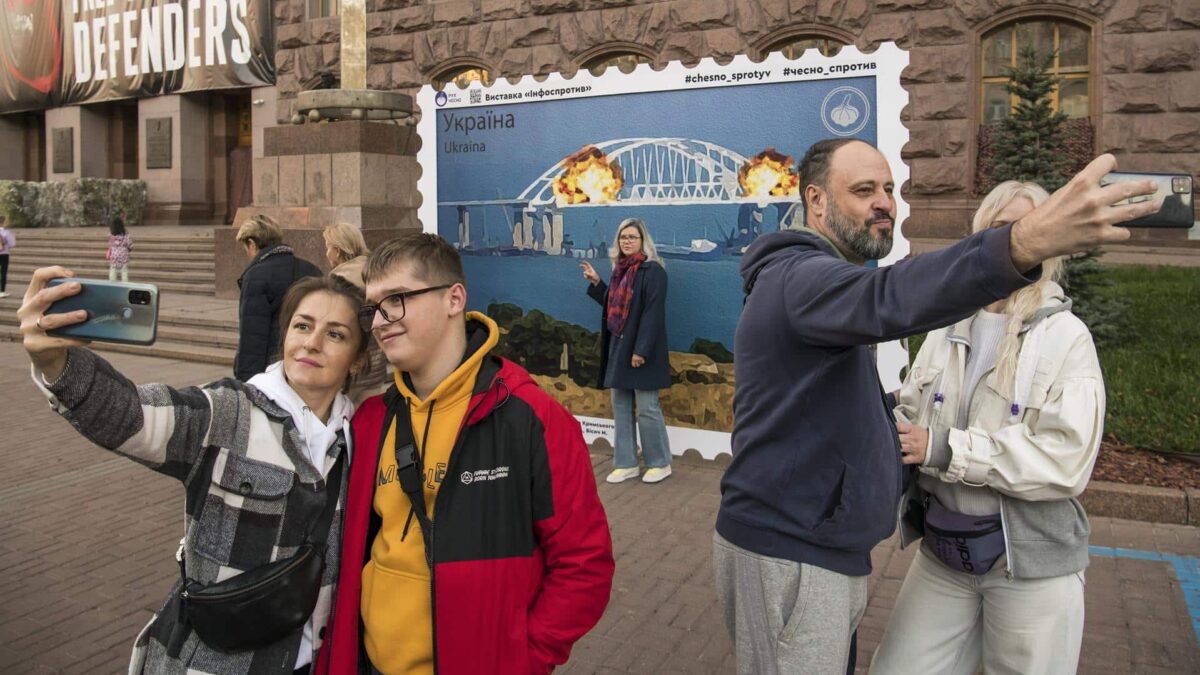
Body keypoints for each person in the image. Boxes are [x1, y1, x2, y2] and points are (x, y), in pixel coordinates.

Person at [713, 140, 1158, 675]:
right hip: (804, 550)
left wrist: (914, 437)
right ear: (816, 201)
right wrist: (1021, 243)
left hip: (1007, 557)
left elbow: (890, 409)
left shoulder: (1065, 335)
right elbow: (890, 298)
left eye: (888, 190)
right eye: (862, 190)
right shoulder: (804, 279)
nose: (884, 203)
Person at [18, 268, 370, 673]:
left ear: (358, 358)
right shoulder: (228, 411)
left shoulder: (360, 437)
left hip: (309, 662)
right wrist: (55, 363)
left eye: (335, 334)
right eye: (302, 325)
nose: (311, 343)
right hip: (212, 662)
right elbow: (130, 415)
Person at [316, 233, 614, 675]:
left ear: (454, 298)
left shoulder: (531, 418)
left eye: (396, 299)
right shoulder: (371, 420)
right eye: (373, 308)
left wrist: (523, 659)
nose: (379, 321)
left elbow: (584, 564)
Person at [869, 182, 1101, 675]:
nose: (1014, 239)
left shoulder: (1066, 336)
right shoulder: (949, 323)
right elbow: (914, 404)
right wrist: (871, 413)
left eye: (1027, 227)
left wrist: (946, 450)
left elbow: (1065, 461)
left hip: (1030, 562)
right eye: (1000, 229)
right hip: (946, 552)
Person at [580, 217, 673, 484]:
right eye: (623, 237)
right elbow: (613, 307)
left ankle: (660, 462)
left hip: (642, 351)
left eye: (632, 237)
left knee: (647, 408)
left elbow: (652, 314)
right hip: (619, 347)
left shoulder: (653, 271)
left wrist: (641, 351)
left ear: (643, 241)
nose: (627, 241)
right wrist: (597, 282)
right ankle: (626, 463)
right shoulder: (620, 271)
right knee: (620, 407)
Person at [235, 214, 321, 381]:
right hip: (307, 361)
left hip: (273, 368)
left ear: (252, 244)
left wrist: (246, 381)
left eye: (246, 248)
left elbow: (252, 335)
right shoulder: (311, 269)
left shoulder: (255, 276)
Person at [325, 221, 390, 404]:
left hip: (349, 370)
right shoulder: (376, 273)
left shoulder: (339, 281)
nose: (327, 253)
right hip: (376, 366)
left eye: (328, 247)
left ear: (337, 251)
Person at [106, 217, 133, 282]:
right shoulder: (125, 234)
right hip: (123, 254)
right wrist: (130, 248)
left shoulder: (110, 234)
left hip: (114, 254)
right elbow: (129, 244)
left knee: (113, 269)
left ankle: (112, 283)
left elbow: (110, 244)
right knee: (124, 270)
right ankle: (125, 284)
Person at [0, 220, 13, 298]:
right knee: (3, 272)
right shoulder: (6, 232)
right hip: (4, 254)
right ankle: (2, 291)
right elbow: (12, 244)